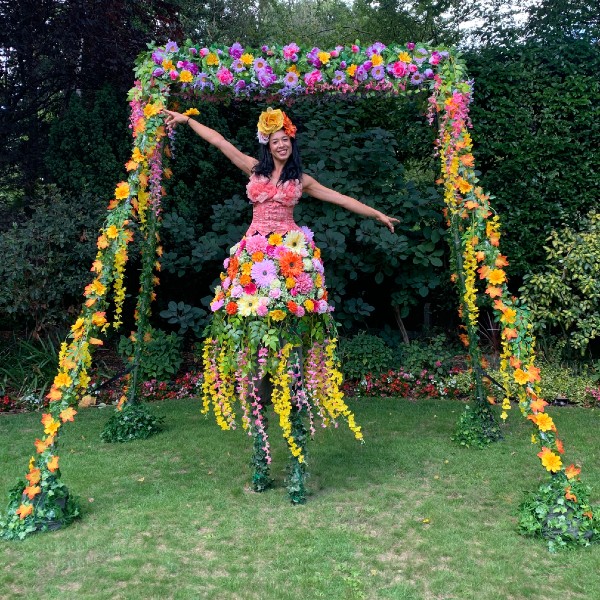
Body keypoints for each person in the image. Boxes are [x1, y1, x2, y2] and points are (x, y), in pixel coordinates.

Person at [162, 107, 399, 503]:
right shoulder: (254, 169)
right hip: (255, 262)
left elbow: (338, 197)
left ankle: (297, 462)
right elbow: (219, 141)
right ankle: (261, 458)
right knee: (253, 356)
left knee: (293, 360)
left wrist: (376, 213)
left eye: (286, 140)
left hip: (290, 261)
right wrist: (186, 121)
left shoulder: (301, 180)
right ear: (267, 145)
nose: (282, 145)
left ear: (292, 143)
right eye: (275, 141)